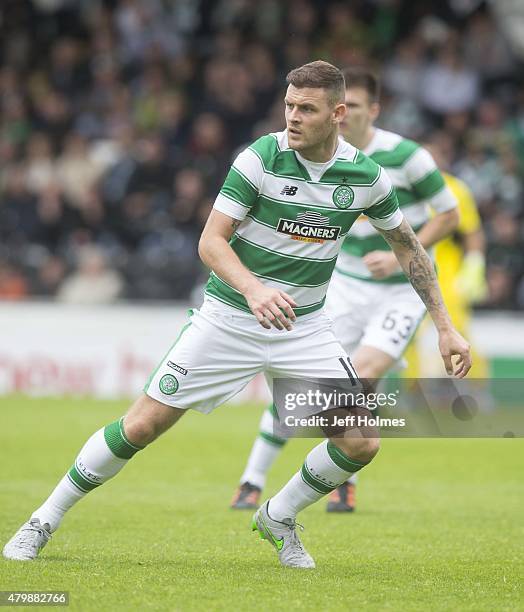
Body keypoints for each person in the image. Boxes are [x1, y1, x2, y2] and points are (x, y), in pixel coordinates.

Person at [3, 61, 470, 570]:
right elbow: (211, 241)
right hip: (228, 318)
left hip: (305, 329)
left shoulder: (366, 176)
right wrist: (254, 290)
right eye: (289, 105)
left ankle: (278, 515)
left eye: (306, 109)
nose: (292, 117)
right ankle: (42, 521)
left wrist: (445, 327)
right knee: (140, 426)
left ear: (338, 114)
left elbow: (410, 250)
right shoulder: (260, 158)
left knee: (361, 442)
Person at [231, 68, 459, 513]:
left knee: (355, 378)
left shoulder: (407, 157)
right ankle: (252, 480)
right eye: (343, 107)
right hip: (343, 286)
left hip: (397, 293)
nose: (346, 115)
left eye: (355, 107)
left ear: (370, 110)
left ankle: (340, 479)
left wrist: (402, 256)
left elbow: (449, 215)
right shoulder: (314, 156)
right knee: (311, 385)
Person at [403, 131, 488, 379]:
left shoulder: (455, 188)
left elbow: (472, 231)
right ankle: (414, 388)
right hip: (411, 271)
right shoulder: (403, 189)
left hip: (447, 272)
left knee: (458, 328)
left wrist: (474, 265)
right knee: (408, 333)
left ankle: (476, 385)